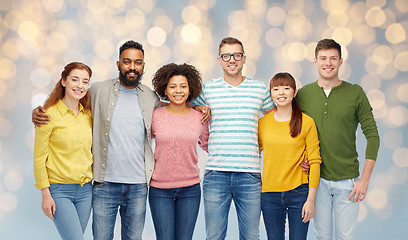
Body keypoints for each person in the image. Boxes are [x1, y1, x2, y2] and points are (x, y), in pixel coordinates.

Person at [191, 37, 275, 239]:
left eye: (236, 55)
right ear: (219, 60)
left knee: (250, 236)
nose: (232, 60)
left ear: (244, 58)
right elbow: (185, 107)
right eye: (226, 56)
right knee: (214, 235)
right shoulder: (208, 89)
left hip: (249, 174)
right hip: (216, 174)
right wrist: (199, 107)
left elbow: (278, 120)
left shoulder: (260, 89)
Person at [296, 39, 380, 240]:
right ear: (315, 61)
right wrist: (302, 159)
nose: (328, 63)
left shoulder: (355, 93)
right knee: (321, 236)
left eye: (333, 58)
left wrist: (365, 181)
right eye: (323, 58)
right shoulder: (303, 95)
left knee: (345, 237)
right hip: (317, 181)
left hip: (348, 181)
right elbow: (293, 132)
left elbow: (373, 136)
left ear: (341, 61)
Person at [149, 63, 209, 240]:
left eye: (183, 86)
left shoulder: (200, 117)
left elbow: (208, 145)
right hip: (159, 189)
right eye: (172, 86)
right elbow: (142, 144)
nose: (178, 91)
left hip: (190, 189)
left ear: (190, 90)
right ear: (165, 91)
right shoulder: (155, 116)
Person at [33, 62, 93, 240]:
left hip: (86, 192)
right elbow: (38, 159)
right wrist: (45, 194)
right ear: (64, 81)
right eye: (75, 80)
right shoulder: (47, 115)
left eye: (85, 81)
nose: (79, 86)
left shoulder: (88, 115)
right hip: (59, 191)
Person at [258, 72, 321, 240]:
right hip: (269, 193)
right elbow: (253, 153)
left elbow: (315, 161)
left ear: (294, 92)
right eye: (276, 89)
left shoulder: (307, 122)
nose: (281, 93)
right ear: (270, 94)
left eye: (286, 88)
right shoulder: (262, 124)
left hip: (299, 192)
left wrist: (310, 200)